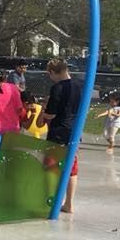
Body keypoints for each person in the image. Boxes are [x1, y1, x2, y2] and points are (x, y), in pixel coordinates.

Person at [38, 58, 82, 214]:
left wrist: (44, 109)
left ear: (52, 72)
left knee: (50, 166)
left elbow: (50, 115)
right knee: (71, 168)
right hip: (74, 131)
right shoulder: (79, 85)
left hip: (58, 132)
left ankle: (52, 199)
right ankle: (69, 203)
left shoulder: (57, 88)